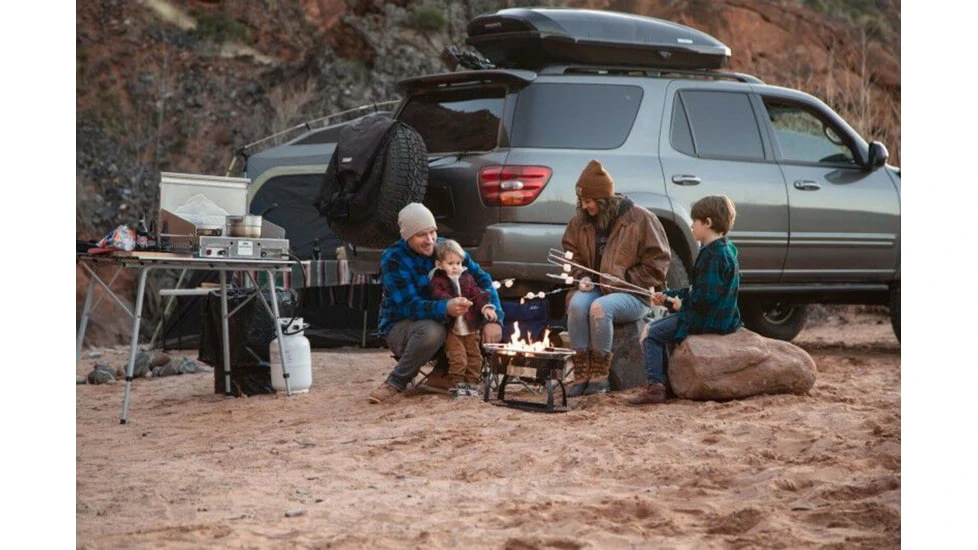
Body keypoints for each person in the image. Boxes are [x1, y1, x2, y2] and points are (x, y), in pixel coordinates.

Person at [368, 203, 504, 403]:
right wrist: (445, 308)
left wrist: (495, 319)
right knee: (432, 331)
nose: (430, 240)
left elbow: (484, 280)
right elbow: (408, 306)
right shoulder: (394, 258)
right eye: (421, 235)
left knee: (482, 319)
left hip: (452, 323)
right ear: (407, 236)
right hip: (404, 326)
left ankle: (443, 375)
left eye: (432, 232)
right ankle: (395, 382)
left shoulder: (447, 249)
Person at [560, 160, 672, 397]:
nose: (584, 206)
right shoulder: (579, 222)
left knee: (600, 308)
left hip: (633, 293)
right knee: (577, 305)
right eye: (581, 201)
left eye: (589, 201)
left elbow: (659, 262)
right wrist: (582, 276)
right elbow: (571, 255)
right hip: (595, 287)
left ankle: (600, 376)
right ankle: (581, 372)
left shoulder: (640, 218)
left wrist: (624, 277)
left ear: (604, 200)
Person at [628, 194, 742, 406]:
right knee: (661, 328)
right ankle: (667, 383)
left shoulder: (712, 256)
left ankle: (656, 388)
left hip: (709, 319)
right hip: (724, 316)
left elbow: (705, 298)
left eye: (695, 222)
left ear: (708, 222)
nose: (691, 226)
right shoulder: (726, 249)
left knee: (650, 333)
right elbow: (700, 290)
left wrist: (682, 305)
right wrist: (669, 297)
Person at [428, 239, 498, 397]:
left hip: (470, 327)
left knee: (475, 356)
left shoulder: (467, 278)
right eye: (450, 263)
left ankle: (472, 383)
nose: (455, 267)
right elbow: (437, 295)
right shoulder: (438, 280)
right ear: (439, 264)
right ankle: (457, 383)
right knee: (458, 357)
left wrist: (486, 307)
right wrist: (451, 302)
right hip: (452, 329)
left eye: (458, 263)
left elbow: (478, 294)